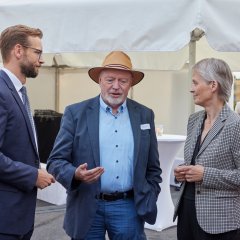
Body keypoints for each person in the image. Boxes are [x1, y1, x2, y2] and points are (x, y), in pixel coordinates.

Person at [47, 51, 162, 240]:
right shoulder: (76, 113)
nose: (116, 86)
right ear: (99, 80)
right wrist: (75, 174)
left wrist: (149, 194)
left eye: (122, 81)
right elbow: (55, 161)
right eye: (110, 80)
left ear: (130, 83)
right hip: (87, 204)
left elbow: (153, 166)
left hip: (128, 207)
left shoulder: (144, 114)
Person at [174, 58, 240, 240]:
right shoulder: (194, 120)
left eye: (195, 82)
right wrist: (182, 173)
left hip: (219, 223)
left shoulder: (236, 125)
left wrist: (205, 174)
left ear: (213, 85)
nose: (191, 88)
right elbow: (194, 163)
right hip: (187, 212)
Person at [0, 25, 55, 240]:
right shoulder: (2, 92)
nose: (41, 59)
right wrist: (32, 175)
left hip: (18, 217)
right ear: (18, 51)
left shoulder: (17, 90)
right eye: (38, 52)